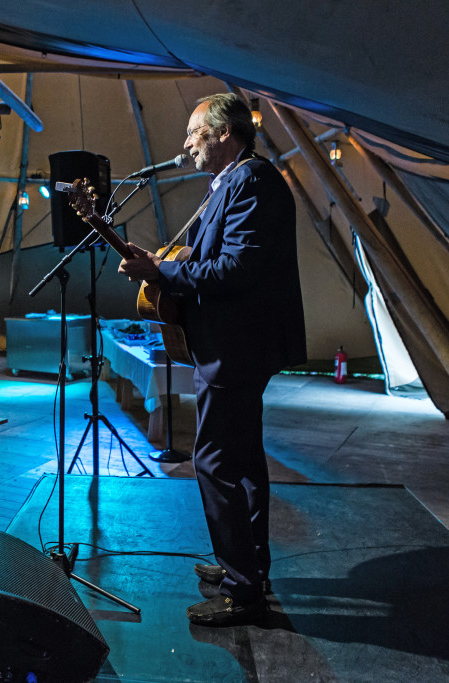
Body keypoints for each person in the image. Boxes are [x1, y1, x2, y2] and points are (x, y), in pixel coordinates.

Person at [116, 93, 306, 628]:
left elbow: (236, 269)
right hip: (232, 346)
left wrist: (161, 273)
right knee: (242, 460)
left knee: (214, 462)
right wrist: (162, 264)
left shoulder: (252, 180)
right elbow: (212, 261)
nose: (185, 144)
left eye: (194, 132)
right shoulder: (230, 184)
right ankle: (248, 565)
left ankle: (242, 590)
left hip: (236, 348)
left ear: (224, 132)